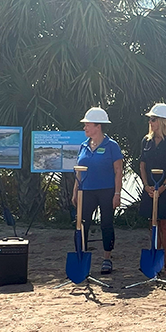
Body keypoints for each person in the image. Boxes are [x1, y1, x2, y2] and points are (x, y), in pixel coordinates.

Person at [73, 107, 124, 275]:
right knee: (82, 223)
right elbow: (79, 171)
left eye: (88, 125)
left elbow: (118, 171)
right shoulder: (83, 146)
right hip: (86, 191)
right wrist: (75, 191)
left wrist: (117, 194)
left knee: (106, 224)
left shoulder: (112, 146)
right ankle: (81, 257)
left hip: (106, 191)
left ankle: (107, 259)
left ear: (98, 126)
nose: (85, 128)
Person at [139, 103, 166, 275]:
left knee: (165, 224)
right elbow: (142, 164)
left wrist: (163, 186)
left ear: (162, 121)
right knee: (152, 223)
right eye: (150, 119)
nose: (150, 122)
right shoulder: (146, 141)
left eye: (153, 119)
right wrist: (146, 185)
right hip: (150, 188)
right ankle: (155, 258)